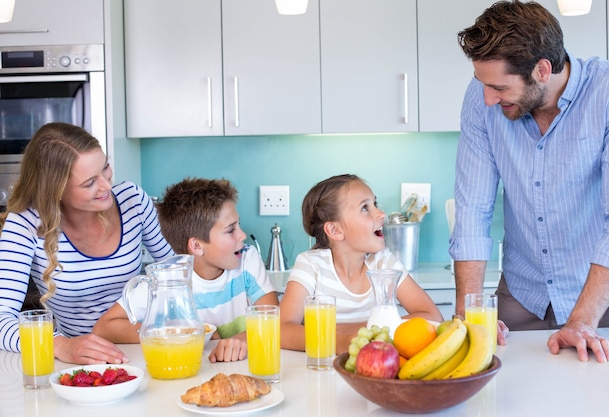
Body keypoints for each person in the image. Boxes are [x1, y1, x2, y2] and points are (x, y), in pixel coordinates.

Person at [451, 0, 609, 362]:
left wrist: (582, 320)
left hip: (604, 299)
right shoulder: (483, 99)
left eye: (499, 86)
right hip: (521, 293)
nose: (487, 97)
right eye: (482, 83)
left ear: (542, 70)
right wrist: (468, 306)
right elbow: (472, 210)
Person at [0, 122, 175, 364]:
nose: (106, 186)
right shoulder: (25, 224)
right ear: (56, 190)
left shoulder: (132, 201)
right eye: (89, 182)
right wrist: (59, 345)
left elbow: (176, 275)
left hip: (144, 350)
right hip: (77, 364)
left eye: (105, 168)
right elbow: (2, 318)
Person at [93, 177, 279, 363]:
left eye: (238, 224)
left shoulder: (247, 259)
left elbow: (273, 320)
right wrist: (174, 333)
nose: (242, 235)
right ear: (197, 246)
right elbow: (105, 327)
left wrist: (238, 340)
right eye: (231, 230)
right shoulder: (166, 279)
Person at [280, 174, 443, 354]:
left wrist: (361, 330)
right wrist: (342, 342)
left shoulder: (384, 262)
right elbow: (282, 329)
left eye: (375, 204)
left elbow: (433, 317)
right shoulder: (311, 265)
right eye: (365, 208)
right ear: (335, 230)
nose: (381, 214)